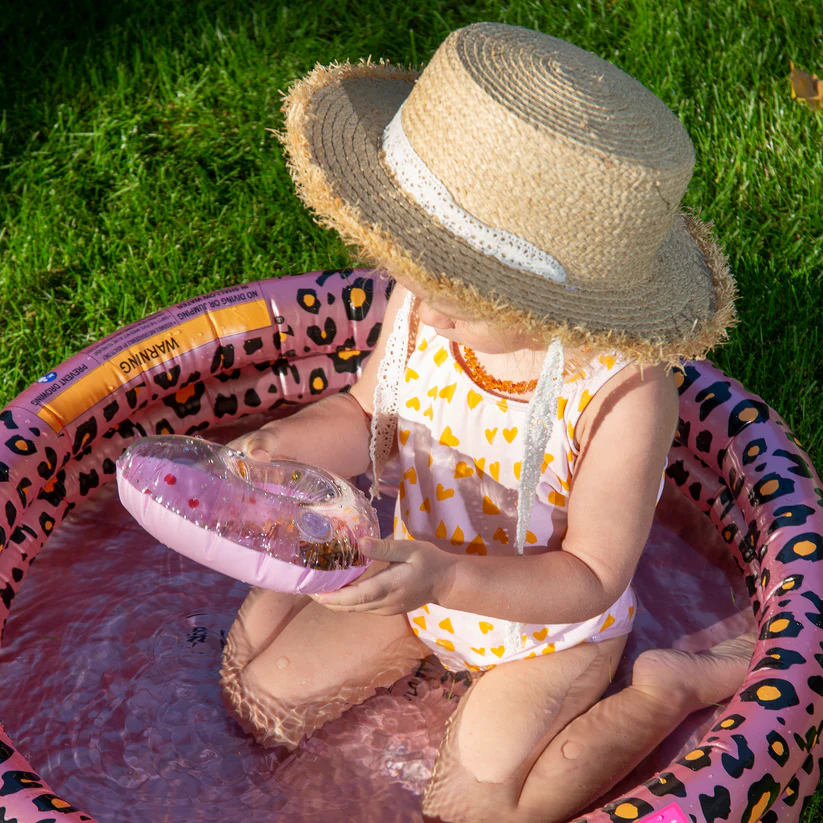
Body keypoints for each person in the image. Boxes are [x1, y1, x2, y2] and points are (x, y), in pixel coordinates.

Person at [219, 22, 755, 823]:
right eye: (414, 273)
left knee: (481, 813)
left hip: (545, 632)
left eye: (453, 297)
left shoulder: (620, 393)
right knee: (254, 704)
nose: (422, 310)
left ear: (548, 305)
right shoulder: (422, 306)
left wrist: (447, 576)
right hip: (415, 583)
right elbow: (366, 412)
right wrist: (279, 443)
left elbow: (589, 574)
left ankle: (661, 689)